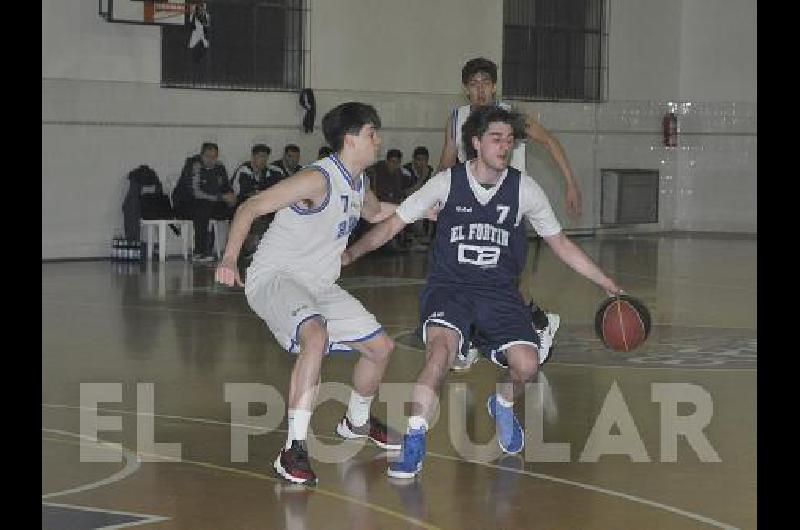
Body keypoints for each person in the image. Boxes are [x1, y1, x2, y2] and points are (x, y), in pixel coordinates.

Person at [342, 105, 622, 479]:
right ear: (475, 142)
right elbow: (392, 225)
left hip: (499, 292)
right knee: (439, 355)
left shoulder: (524, 189)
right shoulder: (446, 183)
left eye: (509, 140)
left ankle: (502, 404)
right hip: (450, 288)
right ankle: (413, 442)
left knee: (527, 365)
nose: (504, 146)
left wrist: (604, 280)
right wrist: (351, 253)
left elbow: (561, 244)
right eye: (496, 139)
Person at [214, 102, 405, 485]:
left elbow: (374, 212)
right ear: (351, 139)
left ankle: (357, 422)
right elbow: (252, 205)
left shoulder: (360, 182)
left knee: (381, 347)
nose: (378, 141)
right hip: (276, 277)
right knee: (314, 334)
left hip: (318, 284)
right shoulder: (317, 179)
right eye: (372, 134)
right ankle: (293, 450)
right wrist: (230, 259)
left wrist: (419, 209)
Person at [439, 57, 583, 370]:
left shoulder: (512, 117)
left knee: (507, 282)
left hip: (507, 211)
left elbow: (549, 141)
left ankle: (538, 322)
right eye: (473, 84)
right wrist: (435, 201)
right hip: (471, 213)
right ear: (466, 89)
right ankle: (474, 339)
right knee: (466, 276)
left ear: (493, 86)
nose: (480, 90)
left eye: (485, 83)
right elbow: (447, 163)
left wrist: (570, 182)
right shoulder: (456, 120)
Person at [172, 142, 235, 262]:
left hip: (210, 203)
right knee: (203, 207)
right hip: (185, 204)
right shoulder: (193, 165)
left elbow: (226, 186)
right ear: (201, 155)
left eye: (214, 157)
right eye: (208, 156)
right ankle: (199, 251)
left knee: (238, 208)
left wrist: (231, 197)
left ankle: (235, 250)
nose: (211, 160)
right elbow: (196, 193)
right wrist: (221, 197)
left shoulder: (219, 167)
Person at [230, 144, 286, 278]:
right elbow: (245, 193)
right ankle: (248, 250)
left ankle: (273, 252)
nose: (263, 160)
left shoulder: (271, 172)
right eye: (260, 157)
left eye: (265, 157)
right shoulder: (244, 170)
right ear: (253, 157)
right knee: (256, 216)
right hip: (241, 208)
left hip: (264, 207)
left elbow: (278, 190)